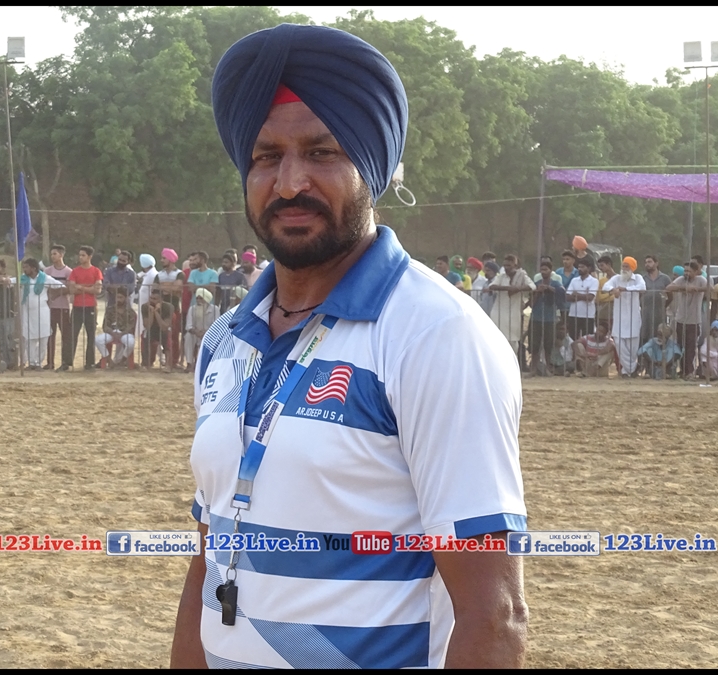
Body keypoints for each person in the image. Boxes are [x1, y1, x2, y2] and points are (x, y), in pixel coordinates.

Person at [174, 25, 527, 670]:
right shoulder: (225, 339)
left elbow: (492, 613)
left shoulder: (436, 335)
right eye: (266, 156)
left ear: (374, 165)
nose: (289, 183)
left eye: (322, 151)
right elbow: (210, 560)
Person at [602, 256, 646, 377]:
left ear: (632, 268)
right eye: (623, 266)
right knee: (619, 345)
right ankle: (633, 368)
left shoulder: (638, 278)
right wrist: (613, 290)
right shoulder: (616, 278)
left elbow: (642, 287)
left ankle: (627, 371)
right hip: (619, 318)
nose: (624, 269)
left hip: (633, 318)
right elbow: (605, 287)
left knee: (633, 348)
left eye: (627, 267)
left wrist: (625, 289)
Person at [665, 261, 708, 378]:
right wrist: (683, 288)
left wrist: (697, 289)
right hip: (680, 319)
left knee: (691, 347)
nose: (686, 273)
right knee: (680, 346)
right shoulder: (681, 280)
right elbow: (668, 287)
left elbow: (710, 288)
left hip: (694, 321)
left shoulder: (700, 280)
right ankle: (682, 370)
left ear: (696, 272)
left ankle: (689, 371)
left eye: (689, 271)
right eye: (685, 271)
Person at [19, 257, 64, 369]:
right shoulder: (23, 279)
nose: (24, 269)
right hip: (27, 313)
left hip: (42, 312)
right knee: (29, 338)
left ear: (33, 268)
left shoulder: (45, 278)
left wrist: (52, 296)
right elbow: (11, 281)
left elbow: (61, 286)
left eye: (26, 267)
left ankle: (38, 363)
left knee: (43, 338)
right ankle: (31, 363)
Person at [486, 254, 535, 356]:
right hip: (498, 312)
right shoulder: (501, 276)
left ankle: (512, 362)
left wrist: (518, 289)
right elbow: (492, 286)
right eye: (505, 265)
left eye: (509, 265)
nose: (506, 268)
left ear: (515, 266)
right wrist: (508, 288)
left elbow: (532, 286)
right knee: (497, 339)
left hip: (514, 313)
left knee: (513, 341)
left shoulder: (522, 275)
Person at [65, 245, 104, 371]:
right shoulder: (75, 271)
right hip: (77, 306)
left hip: (90, 306)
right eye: (80, 255)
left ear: (89, 257)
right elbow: (72, 289)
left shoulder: (96, 271)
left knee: (91, 335)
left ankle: (90, 363)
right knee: (72, 335)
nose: (80, 257)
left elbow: (97, 290)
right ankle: (67, 362)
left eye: (83, 255)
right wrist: (88, 288)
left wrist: (80, 287)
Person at [528, 261, 566, 375]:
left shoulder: (556, 284)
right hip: (536, 317)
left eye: (546, 270)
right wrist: (538, 292)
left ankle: (549, 369)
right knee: (534, 345)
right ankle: (533, 369)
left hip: (550, 318)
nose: (543, 272)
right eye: (542, 270)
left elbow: (561, 294)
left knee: (549, 345)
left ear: (551, 270)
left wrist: (549, 288)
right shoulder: (536, 284)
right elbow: (531, 303)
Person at [43, 244, 75, 370]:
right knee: (50, 335)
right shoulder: (47, 271)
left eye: (55, 254)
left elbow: (69, 288)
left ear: (61, 255)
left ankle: (65, 361)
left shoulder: (68, 271)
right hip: (50, 307)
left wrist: (55, 293)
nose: (52, 256)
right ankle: (50, 362)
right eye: (52, 254)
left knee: (65, 336)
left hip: (63, 306)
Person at [155, 248, 185, 369]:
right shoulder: (159, 274)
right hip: (161, 307)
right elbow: (155, 288)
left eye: (164, 258)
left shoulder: (179, 274)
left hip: (174, 307)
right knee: (160, 334)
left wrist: (164, 286)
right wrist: (170, 287)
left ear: (171, 259)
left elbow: (177, 288)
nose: (161, 260)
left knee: (174, 335)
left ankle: (174, 361)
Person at [96, 288, 138, 368]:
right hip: (111, 333)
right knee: (98, 340)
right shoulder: (110, 309)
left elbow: (131, 326)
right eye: (117, 297)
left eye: (121, 297)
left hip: (124, 334)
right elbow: (105, 325)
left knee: (131, 343)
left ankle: (122, 361)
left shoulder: (130, 311)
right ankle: (109, 360)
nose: (118, 300)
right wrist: (112, 333)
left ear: (126, 298)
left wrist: (122, 334)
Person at [183, 288, 220, 371]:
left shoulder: (215, 309)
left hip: (210, 334)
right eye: (197, 298)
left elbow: (216, 326)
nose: (198, 301)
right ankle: (189, 363)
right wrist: (196, 332)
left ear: (206, 299)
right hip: (195, 333)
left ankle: (203, 365)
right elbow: (188, 326)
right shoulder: (192, 309)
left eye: (201, 298)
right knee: (188, 336)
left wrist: (206, 333)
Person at [639, 255, 671, 345]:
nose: (647, 264)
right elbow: (639, 295)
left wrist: (663, 305)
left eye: (649, 262)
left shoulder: (665, 278)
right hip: (645, 313)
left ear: (656, 263)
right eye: (646, 262)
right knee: (644, 336)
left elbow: (670, 296)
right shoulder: (642, 279)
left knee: (659, 334)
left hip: (659, 313)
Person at [140, 287, 174, 370]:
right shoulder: (145, 306)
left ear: (161, 300)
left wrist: (156, 312)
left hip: (163, 330)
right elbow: (147, 325)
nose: (152, 301)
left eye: (154, 299)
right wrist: (152, 312)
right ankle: (146, 363)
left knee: (167, 339)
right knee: (145, 336)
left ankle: (168, 364)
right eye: (151, 298)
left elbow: (164, 326)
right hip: (151, 329)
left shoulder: (168, 307)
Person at [565, 258, 599, 340]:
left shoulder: (594, 281)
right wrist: (583, 296)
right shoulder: (574, 280)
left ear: (589, 268)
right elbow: (568, 297)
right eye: (579, 267)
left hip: (588, 315)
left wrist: (576, 295)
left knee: (587, 339)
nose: (580, 269)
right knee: (572, 339)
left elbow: (590, 297)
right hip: (573, 314)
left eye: (582, 267)